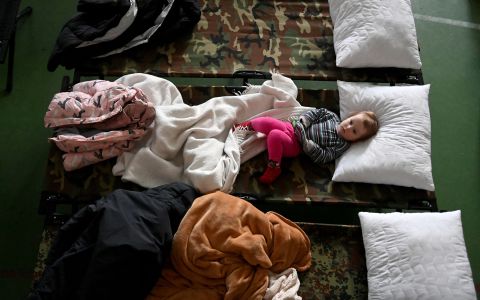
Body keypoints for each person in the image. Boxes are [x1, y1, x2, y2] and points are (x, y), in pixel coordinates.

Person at [235, 108, 379, 184]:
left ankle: (274, 167)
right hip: (292, 127)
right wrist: (304, 121)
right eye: (351, 121)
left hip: (296, 145)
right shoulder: (331, 116)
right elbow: (314, 114)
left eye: (354, 131)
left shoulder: (341, 145)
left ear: (356, 140)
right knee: (268, 122)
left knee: (274, 135)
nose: (348, 127)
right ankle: (245, 127)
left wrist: (307, 143)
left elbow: (323, 157)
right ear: (350, 116)